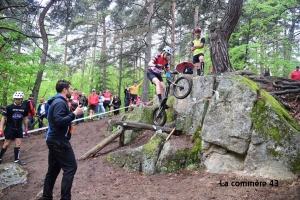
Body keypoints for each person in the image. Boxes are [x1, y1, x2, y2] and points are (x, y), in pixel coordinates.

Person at [41, 80, 84, 200]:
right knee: (71, 167)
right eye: (70, 88)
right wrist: (74, 114)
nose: (72, 91)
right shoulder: (60, 102)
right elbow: (59, 121)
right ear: (64, 90)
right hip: (59, 140)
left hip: (54, 139)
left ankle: (46, 197)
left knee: (53, 170)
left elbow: (59, 119)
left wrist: (73, 113)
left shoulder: (58, 101)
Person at [0, 91, 28, 166]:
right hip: (10, 128)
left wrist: (26, 128)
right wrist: (1, 129)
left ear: (22, 99)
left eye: (19, 99)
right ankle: (0, 158)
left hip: (19, 128)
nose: (17, 100)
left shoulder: (24, 107)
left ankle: (16, 160)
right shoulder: (9, 107)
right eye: (16, 99)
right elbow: (3, 118)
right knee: (6, 144)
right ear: (14, 99)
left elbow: (25, 118)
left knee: (18, 144)